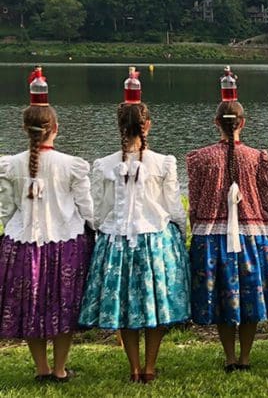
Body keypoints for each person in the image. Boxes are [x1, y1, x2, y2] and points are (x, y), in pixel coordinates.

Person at [79, 67, 190, 383]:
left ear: (119, 127)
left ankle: (134, 368)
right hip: (155, 239)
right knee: (154, 306)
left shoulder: (103, 165)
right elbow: (173, 207)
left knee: (126, 308)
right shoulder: (164, 162)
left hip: (117, 242)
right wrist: (179, 234)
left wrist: (102, 231)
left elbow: (99, 212)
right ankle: (150, 367)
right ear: (148, 126)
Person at [0, 68, 94, 382]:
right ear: (56, 127)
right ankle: (59, 368)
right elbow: (87, 208)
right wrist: (97, 227)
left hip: (22, 243)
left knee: (31, 306)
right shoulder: (72, 165)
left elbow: (5, 208)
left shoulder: (10, 163)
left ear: (25, 128)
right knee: (62, 307)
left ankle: (42, 369)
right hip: (65, 244)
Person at [187, 75, 268, 371]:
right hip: (253, 237)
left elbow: (195, 203)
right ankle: (245, 357)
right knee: (250, 298)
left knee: (222, 301)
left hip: (212, 238)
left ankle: (229, 357)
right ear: (243, 122)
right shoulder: (258, 157)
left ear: (217, 123)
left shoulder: (199, 159)